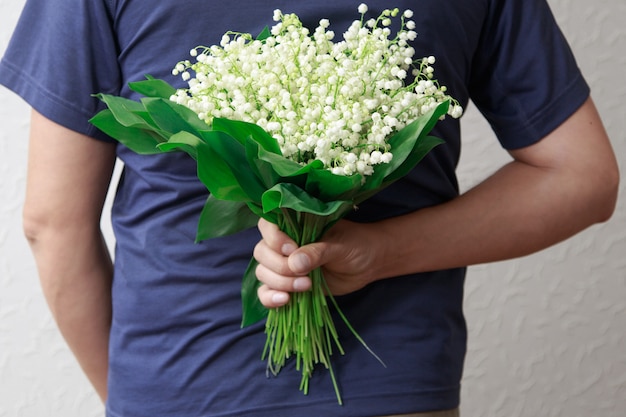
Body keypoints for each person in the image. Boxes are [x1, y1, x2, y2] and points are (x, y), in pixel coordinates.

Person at [0, 0, 618, 416]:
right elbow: (581, 177)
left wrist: (134, 399)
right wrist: (380, 253)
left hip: (179, 381)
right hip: (394, 384)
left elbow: (51, 224)